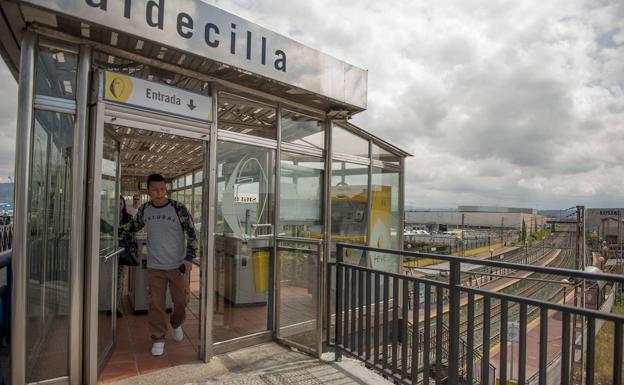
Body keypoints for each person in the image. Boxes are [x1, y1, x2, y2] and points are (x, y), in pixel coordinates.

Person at [122, 173, 197, 356]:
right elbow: (132, 227)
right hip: (155, 266)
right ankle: (158, 337)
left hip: (177, 265)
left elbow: (192, 234)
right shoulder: (145, 210)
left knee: (182, 301)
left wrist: (189, 258)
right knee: (156, 304)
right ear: (148, 190)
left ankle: (176, 323)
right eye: (155, 189)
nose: (159, 192)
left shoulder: (178, 208)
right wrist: (112, 229)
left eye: (162, 189)